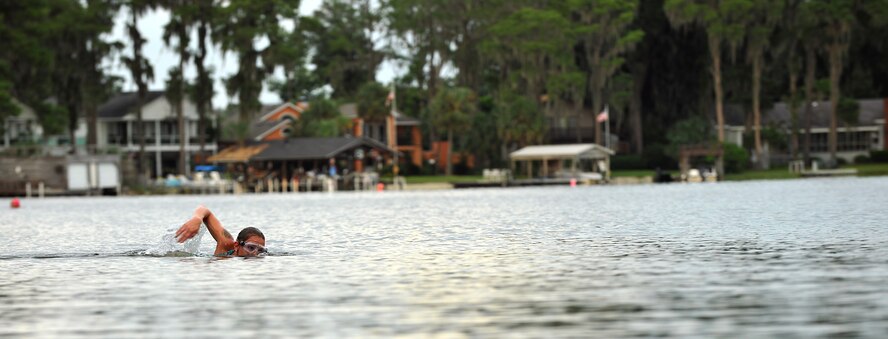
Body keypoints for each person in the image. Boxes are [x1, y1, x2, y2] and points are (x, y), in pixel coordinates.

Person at [175, 205, 267, 257]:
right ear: (236, 245)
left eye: (260, 250)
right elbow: (203, 209)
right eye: (251, 248)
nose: (255, 254)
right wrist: (197, 219)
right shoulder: (226, 244)